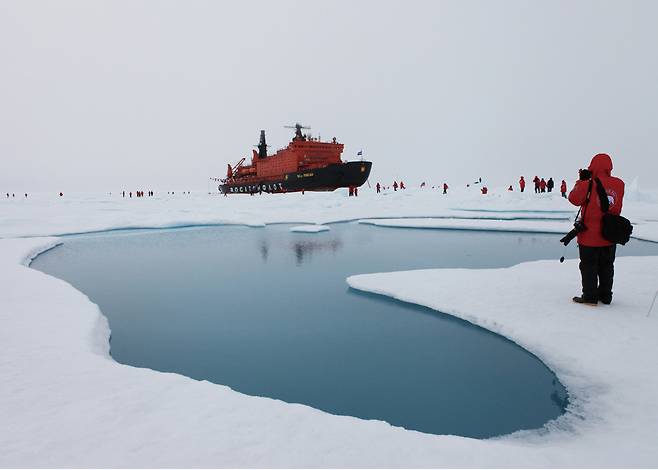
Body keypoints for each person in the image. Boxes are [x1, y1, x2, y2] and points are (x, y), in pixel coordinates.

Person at [568, 153, 625, 305]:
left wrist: (582, 180)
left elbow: (574, 199)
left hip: (589, 236)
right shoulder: (620, 184)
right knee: (607, 266)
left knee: (588, 266)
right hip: (610, 234)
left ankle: (590, 297)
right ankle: (606, 296)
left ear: (593, 166)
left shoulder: (588, 183)